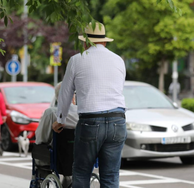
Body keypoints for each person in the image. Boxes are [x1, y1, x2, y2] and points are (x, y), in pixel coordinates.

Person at [55, 22, 127, 188]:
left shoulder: (76, 60)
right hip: (118, 120)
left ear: (85, 42)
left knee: (81, 171)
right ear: (105, 42)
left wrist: (60, 119)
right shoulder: (118, 60)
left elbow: (65, 93)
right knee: (110, 176)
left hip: (91, 121)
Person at [35, 82, 78, 188]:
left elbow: (41, 138)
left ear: (58, 96)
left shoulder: (51, 113)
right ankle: (68, 179)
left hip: (58, 156)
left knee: (39, 153)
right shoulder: (82, 113)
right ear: (73, 96)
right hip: (81, 155)